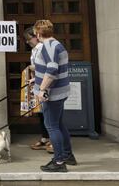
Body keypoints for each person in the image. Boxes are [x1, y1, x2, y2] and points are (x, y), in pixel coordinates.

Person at [33, 20, 77, 172]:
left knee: (51, 126)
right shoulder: (57, 44)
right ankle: (67, 156)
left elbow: (51, 70)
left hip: (53, 93)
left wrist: (42, 89)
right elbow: (50, 68)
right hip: (61, 91)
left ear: (38, 34)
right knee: (58, 124)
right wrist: (37, 78)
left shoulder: (48, 46)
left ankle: (58, 162)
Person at [23, 27, 53, 154]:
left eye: (29, 39)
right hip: (38, 83)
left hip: (46, 86)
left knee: (48, 114)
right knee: (41, 113)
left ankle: (53, 141)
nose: (27, 42)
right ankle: (45, 138)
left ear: (36, 36)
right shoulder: (34, 49)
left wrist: (33, 67)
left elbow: (48, 66)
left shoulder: (43, 48)